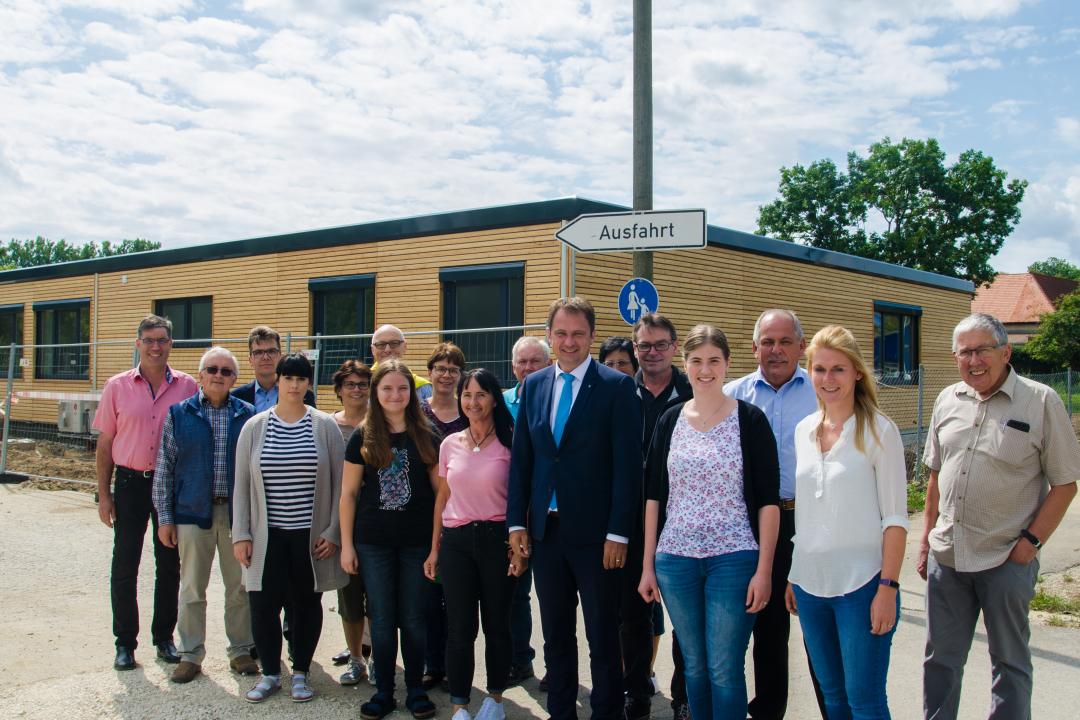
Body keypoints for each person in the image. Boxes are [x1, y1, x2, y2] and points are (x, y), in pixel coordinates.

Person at [919, 313, 1080, 720]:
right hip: (948, 558)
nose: (973, 361)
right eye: (964, 353)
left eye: (982, 350)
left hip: (1005, 558)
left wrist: (1030, 545)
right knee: (940, 661)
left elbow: (1065, 484)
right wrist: (925, 543)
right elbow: (935, 476)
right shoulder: (947, 399)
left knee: (1009, 663)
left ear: (1006, 352)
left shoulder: (1041, 401)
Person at [507, 296, 642, 720]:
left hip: (598, 537)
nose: (569, 342)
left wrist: (618, 533)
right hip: (546, 534)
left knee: (603, 637)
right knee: (556, 635)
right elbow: (523, 461)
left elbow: (627, 468)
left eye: (578, 334)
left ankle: (607, 712)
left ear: (592, 336)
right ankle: (561, 711)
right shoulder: (534, 385)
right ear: (550, 336)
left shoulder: (617, 387)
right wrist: (516, 523)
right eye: (561, 333)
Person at [638, 324, 779, 720]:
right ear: (685, 364)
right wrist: (648, 565)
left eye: (714, 360)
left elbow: (768, 502)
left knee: (723, 667)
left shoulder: (750, 420)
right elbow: (654, 497)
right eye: (697, 361)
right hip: (675, 560)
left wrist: (764, 570)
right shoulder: (670, 420)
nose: (705, 370)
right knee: (695, 667)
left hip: (734, 559)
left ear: (727, 363)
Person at [785, 325, 908, 720]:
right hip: (811, 585)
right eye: (819, 369)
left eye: (838, 369)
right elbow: (806, 513)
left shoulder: (879, 431)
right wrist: (794, 575)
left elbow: (895, 520)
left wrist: (888, 587)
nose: (828, 379)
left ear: (857, 372)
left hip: (863, 585)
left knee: (864, 701)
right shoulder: (803, 431)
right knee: (833, 698)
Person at [724, 309, 824, 720]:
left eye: (785, 342)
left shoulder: (822, 391)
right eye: (767, 342)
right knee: (767, 626)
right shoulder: (732, 396)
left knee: (819, 628)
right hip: (756, 525)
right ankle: (767, 711)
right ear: (754, 348)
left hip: (811, 521)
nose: (776, 350)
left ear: (802, 346)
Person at [232, 352, 348, 704]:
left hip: (309, 537)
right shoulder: (255, 426)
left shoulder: (324, 426)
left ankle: (301, 672)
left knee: (306, 604)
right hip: (266, 536)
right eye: (288, 378)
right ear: (278, 381)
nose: (294, 385)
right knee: (263, 605)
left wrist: (332, 531)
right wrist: (242, 534)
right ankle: (270, 673)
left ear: (309, 383)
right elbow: (241, 485)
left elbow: (341, 485)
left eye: (301, 378)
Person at [93, 315, 197, 671]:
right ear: (138, 343)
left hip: (170, 486)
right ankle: (125, 643)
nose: (156, 347)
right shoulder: (117, 386)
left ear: (171, 344)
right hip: (130, 484)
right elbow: (105, 443)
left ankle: (164, 638)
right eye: (149, 340)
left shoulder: (187, 387)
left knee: (169, 565)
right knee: (125, 564)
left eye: (162, 340)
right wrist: (104, 494)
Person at [340, 360, 441, 720]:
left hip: (417, 544)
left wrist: (435, 546)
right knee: (381, 619)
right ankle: (384, 691)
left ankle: (415, 689)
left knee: (413, 618)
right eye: (387, 388)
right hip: (373, 543)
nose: (395, 395)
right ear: (375, 392)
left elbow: (440, 496)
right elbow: (349, 494)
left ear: (412, 392)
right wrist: (347, 545)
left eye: (402, 388)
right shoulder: (362, 436)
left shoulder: (427, 435)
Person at [153, 346, 258, 683]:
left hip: (236, 515)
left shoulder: (248, 415)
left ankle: (240, 650)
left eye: (226, 371)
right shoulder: (178, 414)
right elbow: (164, 469)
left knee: (238, 587)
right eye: (212, 369)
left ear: (235, 379)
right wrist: (165, 518)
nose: (218, 375)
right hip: (191, 513)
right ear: (200, 375)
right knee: (191, 589)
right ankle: (190, 654)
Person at [425, 368, 525, 720]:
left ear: (495, 399)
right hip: (456, 544)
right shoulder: (450, 444)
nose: (473, 402)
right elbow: (442, 498)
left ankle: (494, 700)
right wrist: (434, 548)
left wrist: (520, 548)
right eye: (467, 395)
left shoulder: (511, 442)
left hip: (499, 541)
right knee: (460, 628)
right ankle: (460, 705)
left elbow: (522, 498)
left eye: (481, 394)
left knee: (497, 626)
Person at [633, 312, 693, 718]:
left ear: (674, 347)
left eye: (660, 345)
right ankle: (636, 694)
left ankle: (684, 698)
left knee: (685, 621)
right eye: (644, 345)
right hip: (629, 522)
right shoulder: (620, 392)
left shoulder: (692, 393)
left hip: (681, 521)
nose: (652, 352)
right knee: (633, 617)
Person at [501, 335, 551, 687]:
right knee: (515, 592)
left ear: (549, 365)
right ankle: (521, 660)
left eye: (536, 361)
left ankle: (556, 666)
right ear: (513, 366)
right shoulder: (500, 403)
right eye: (523, 362)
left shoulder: (555, 400)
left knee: (552, 596)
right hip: (511, 509)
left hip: (548, 510)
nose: (529, 368)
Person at [420, 342, 469, 690]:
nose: (446, 375)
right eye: (440, 368)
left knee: (455, 597)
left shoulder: (469, 411)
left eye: (453, 369)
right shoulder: (418, 414)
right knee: (427, 597)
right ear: (430, 372)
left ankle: (453, 665)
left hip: (461, 513)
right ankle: (431, 663)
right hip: (424, 513)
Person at [329, 360, 375, 687]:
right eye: (350, 384)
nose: (356, 389)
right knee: (349, 598)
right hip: (341, 525)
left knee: (379, 598)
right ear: (339, 390)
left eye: (362, 384)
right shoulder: (327, 426)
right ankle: (356, 658)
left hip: (375, 524)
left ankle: (377, 659)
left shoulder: (380, 425)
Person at [233, 325, 316, 410]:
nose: (265, 357)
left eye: (271, 351)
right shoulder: (236, 397)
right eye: (258, 352)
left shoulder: (303, 395)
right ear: (250, 360)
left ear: (280, 356)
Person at [371, 324, 433, 400]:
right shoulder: (363, 385)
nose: (387, 350)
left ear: (405, 347)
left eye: (394, 343)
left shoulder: (423, 389)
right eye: (381, 344)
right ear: (372, 350)